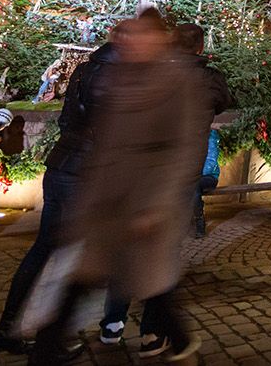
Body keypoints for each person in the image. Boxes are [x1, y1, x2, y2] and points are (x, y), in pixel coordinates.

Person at [32, 13, 206, 364]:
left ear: (160, 39)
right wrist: (87, 195)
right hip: (108, 195)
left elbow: (184, 148)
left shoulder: (179, 81)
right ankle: (48, 346)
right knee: (84, 276)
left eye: (143, 35)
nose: (133, 42)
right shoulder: (117, 76)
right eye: (130, 35)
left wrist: (158, 204)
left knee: (148, 282)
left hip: (147, 197)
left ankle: (179, 339)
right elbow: (104, 138)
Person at [0, 31, 119, 354]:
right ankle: (48, 339)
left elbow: (67, 120)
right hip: (83, 173)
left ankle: (7, 327)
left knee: (44, 248)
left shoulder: (85, 71)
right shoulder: (116, 77)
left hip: (61, 164)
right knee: (71, 258)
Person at [100, 21, 232, 350]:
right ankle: (151, 332)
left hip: (134, 178)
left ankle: (113, 323)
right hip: (176, 178)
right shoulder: (206, 78)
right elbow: (223, 102)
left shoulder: (148, 72)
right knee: (162, 255)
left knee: (127, 252)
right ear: (200, 47)